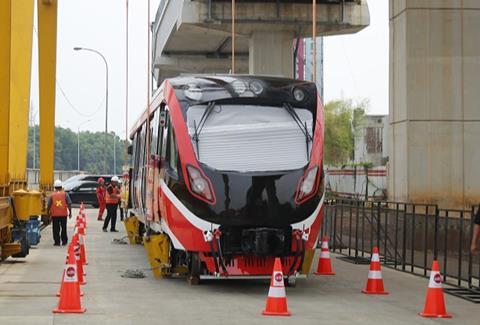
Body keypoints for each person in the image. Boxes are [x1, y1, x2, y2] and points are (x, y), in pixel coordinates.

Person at [47, 180, 72, 246]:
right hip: (63, 214)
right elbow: (69, 203)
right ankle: (64, 241)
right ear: (61, 187)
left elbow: (49, 205)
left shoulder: (52, 195)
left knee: (55, 228)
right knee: (64, 228)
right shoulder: (65, 194)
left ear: (55, 187)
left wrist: (48, 213)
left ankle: (57, 242)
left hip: (55, 215)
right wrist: (70, 212)